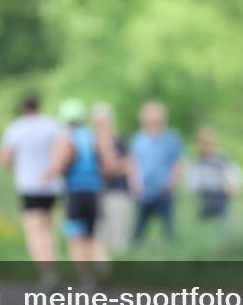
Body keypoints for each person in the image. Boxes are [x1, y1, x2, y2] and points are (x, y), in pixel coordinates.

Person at [44, 99, 122, 287]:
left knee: (75, 239)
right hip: (94, 192)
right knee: (93, 236)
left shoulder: (66, 138)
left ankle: (86, 278)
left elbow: (60, 164)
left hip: (75, 194)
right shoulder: (93, 136)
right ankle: (103, 266)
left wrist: (48, 174)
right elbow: (110, 165)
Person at [0, 94, 63, 289]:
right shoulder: (52, 125)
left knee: (33, 230)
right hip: (51, 184)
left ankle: (46, 272)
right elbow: (63, 150)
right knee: (48, 226)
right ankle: (53, 266)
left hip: (29, 185)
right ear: (39, 106)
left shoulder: (16, 128)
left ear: (23, 108)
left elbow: (5, 159)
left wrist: (15, 166)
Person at [130, 100, 184, 243]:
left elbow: (177, 163)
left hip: (164, 189)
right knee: (139, 229)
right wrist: (135, 184)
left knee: (168, 228)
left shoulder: (171, 138)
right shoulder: (138, 139)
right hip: (144, 190)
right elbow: (134, 164)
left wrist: (172, 183)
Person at [91, 102, 134, 257]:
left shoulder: (119, 140)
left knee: (119, 235)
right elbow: (109, 167)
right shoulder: (92, 140)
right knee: (100, 235)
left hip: (119, 192)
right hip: (98, 192)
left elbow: (129, 165)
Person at [183, 126, 243, 225]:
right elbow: (191, 184)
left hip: (221, 198)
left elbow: (234, 180)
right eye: (203, 142)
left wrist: (232, 188)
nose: (206, 145)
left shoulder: (222, 159)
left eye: (208, 142)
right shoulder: (196, 161)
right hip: (203, 199)